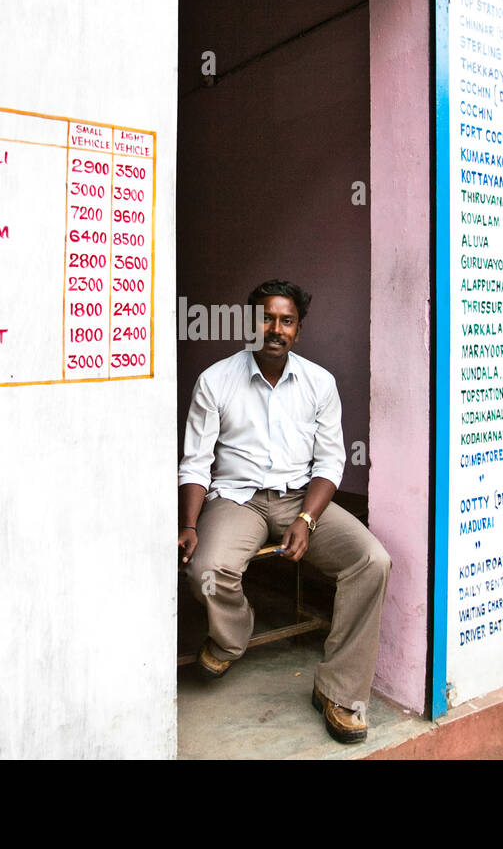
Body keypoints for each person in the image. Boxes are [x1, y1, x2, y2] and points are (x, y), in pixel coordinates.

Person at [177, 279, 391, 744]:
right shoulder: (216, 380)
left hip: (302, 499)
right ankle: (232, 637)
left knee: (371, 562)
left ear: (298, 328)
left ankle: (340, 690)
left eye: (287, 321)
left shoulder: (319, 382)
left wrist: (307, 519)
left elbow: (331, 461)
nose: (276, 329)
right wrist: (190, 524)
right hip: (239, 499)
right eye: (266, 319)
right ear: (249, 323)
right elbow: (196, 460)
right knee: (207, 571)